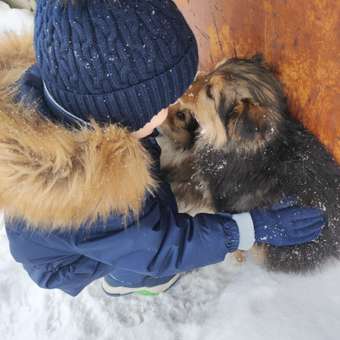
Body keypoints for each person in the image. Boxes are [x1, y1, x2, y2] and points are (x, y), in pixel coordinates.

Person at [2, 0, 325, 297]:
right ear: (117, 114)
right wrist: (250, 228)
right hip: (72, 259)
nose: (174, 104)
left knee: (148, 197)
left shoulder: (74, 92)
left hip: (98, 217)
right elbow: (161, 247)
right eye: (160, 103)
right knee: (146, 259)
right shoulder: (84, 199)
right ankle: (130, 282)